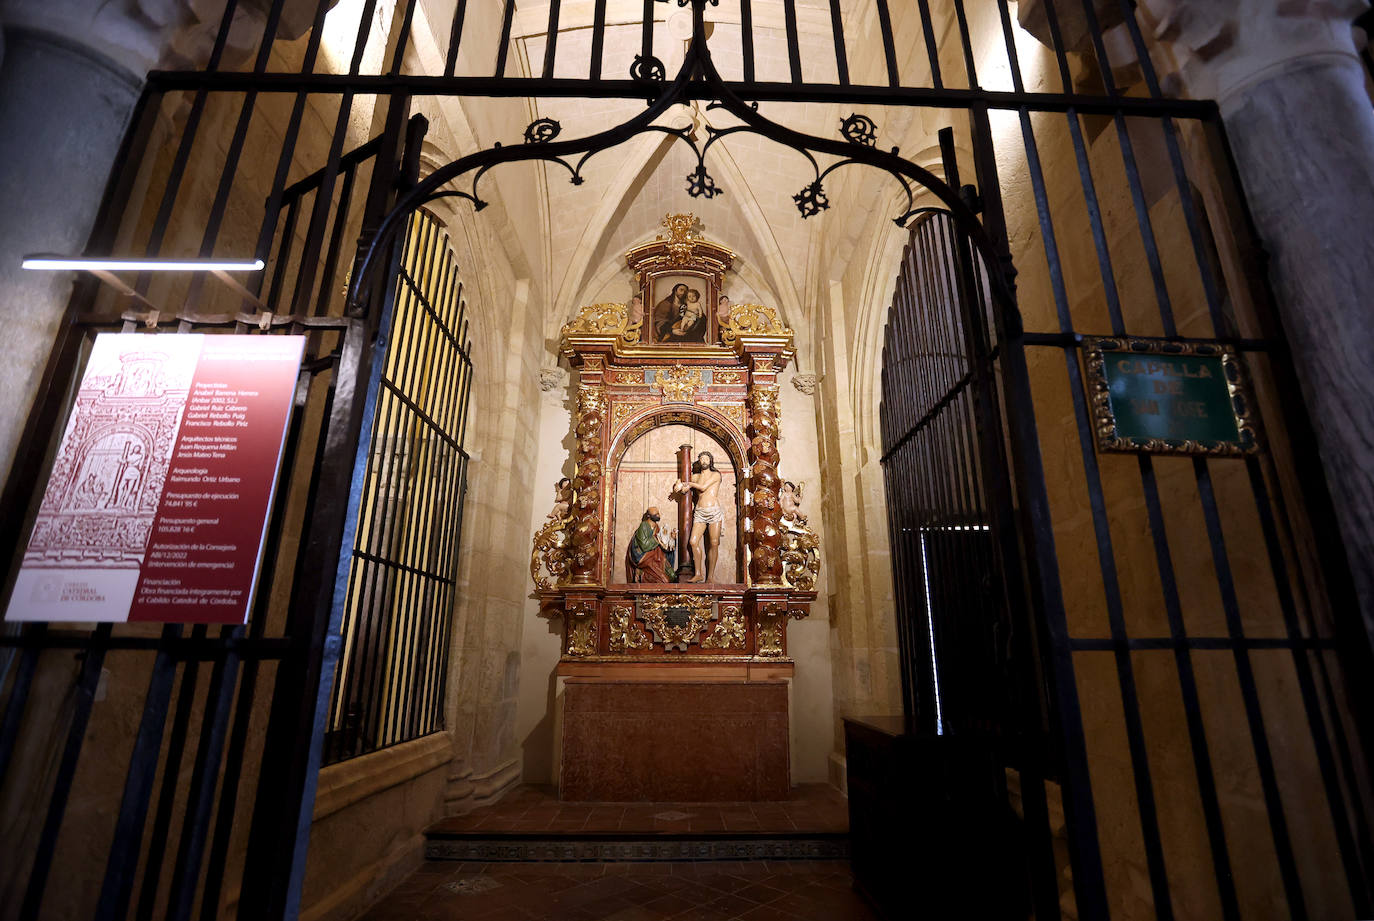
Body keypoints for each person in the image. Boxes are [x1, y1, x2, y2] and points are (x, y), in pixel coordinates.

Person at [672, 451, 724, 583]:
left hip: (714, 511)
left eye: (706, 458)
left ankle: (710, 577)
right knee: (693, 542)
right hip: (700, 511)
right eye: (701, 459)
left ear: (710, 461)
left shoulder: (716, 474)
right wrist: (678, 485)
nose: (704, 461)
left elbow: (703, 487)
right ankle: (698, 573)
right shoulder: (695, 476)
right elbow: (683, 487)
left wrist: (689, 484)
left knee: (713, 543)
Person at [625, 506, 676, 583]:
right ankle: (641, 575)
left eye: (658, 513)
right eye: (655, 514)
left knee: (672, 576)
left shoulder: (658, 528)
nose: (658, 515)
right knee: (664, 580)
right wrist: (657, 538)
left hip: (658, 556)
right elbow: (644, 545)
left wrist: (672, 539)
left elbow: (664, 546)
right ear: (648, 516)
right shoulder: (644, 526)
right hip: (646, 558)